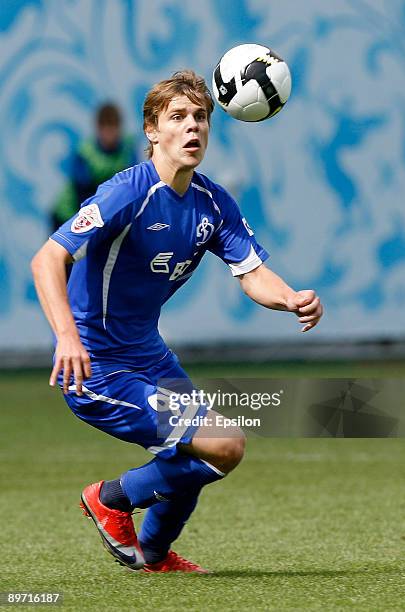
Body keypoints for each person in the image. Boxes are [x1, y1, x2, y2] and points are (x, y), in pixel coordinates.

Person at [31, 70, 323, 574]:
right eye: (178, 117)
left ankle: (154, 556)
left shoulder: (212, 203)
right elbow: (47, 259)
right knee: (223, 442)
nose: (193, 128)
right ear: (152, 130)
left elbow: (252, 275)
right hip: (98, 366)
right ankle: (110, 498)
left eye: (201, 117)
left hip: (148, 355)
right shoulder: (127, 191)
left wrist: (291, 298)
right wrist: (66, 338)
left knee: (203, 453)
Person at [51, 103, 138, 232]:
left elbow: (133, 185)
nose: (109, 134)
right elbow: (83, 195)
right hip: (68, 215)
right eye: (105, 128)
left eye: (113, 128)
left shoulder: (127, 150)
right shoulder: (85, 153)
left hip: (102, 215)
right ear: (98, 128)